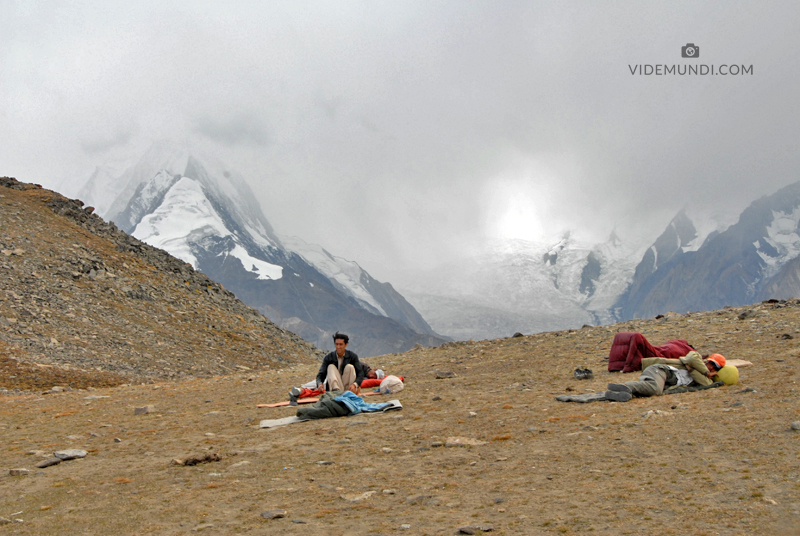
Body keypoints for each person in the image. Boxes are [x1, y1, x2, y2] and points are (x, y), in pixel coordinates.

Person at [605, 352, 726, 402]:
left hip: (663, 378)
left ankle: (623, 393)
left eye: (715, 367)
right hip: (661, 370)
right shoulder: (697, 358)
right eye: (711, 363)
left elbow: (706, 384)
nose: (711, 368)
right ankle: (626, 386)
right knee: (655, 389)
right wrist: (705, 372)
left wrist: (692, 370)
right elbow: (692, 358)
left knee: (651, 390)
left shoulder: (702, 376)